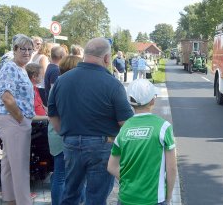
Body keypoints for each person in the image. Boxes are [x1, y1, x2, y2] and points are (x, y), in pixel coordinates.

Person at [48, 37, 134, 205]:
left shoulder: (62, 80)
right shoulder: (113, 84)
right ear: (107, 58)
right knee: (96, 196)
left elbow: (52, 115)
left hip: (71, 142)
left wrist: (66, 134)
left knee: (70, 193)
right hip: (102, 145)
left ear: (85, 54)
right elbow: (126, 123)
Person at [107, 79, 177, 205]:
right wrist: (169, 196)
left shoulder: (124, 129)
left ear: (131, 102)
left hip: (126, 198)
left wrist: (130, 182)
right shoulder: (163, 127)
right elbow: (171, 168)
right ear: (152, 100)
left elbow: (111, 167)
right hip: (154, 199)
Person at [0, 34, 35, 205]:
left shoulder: (19, 68)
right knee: (20, 168)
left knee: (9, 165)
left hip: (12, 119)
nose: (27, 52)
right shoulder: (10, 67)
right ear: (15, 50)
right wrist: (20, 118)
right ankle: (23, 202)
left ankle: (10, 200)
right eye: (23, 49)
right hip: (13, 119)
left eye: (30, 49)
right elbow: (6, 97)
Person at [48, 55, 84, 205]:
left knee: (60, 175)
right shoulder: (74, 88)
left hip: (56, 133)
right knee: (71, 176)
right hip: (67, 134)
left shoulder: (57, 86)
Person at [32, 41, 52, 106]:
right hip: (41, 86)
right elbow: (45, 73)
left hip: (36, 84)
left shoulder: (36, 55)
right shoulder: (43, 58)